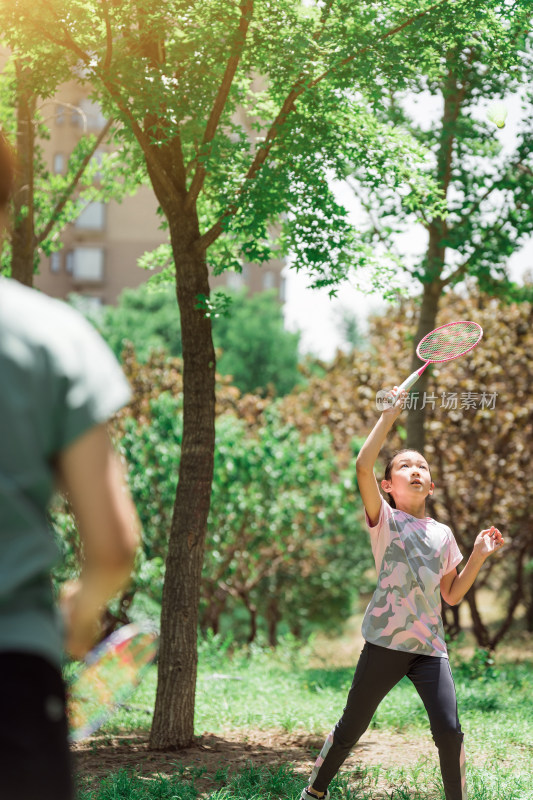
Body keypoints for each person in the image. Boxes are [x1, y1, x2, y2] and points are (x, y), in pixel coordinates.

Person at [0, 130, 140, 799]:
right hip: (14, 678)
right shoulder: (53, 336)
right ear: (8, 211)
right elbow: (112, 546)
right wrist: (76, 622)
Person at [300, 387, 505, 800]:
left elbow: (451, 595)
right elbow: (361, 464)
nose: (415, 470)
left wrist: (479, 556)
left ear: (430, 485)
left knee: (449, 732)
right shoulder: (385, 521)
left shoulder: (442, 533)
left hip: (430, 647)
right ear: (387, 485)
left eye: (422, 467)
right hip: (386, 643)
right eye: (405, 465)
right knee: (351, 728)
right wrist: (388, 417)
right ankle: (314, 793)